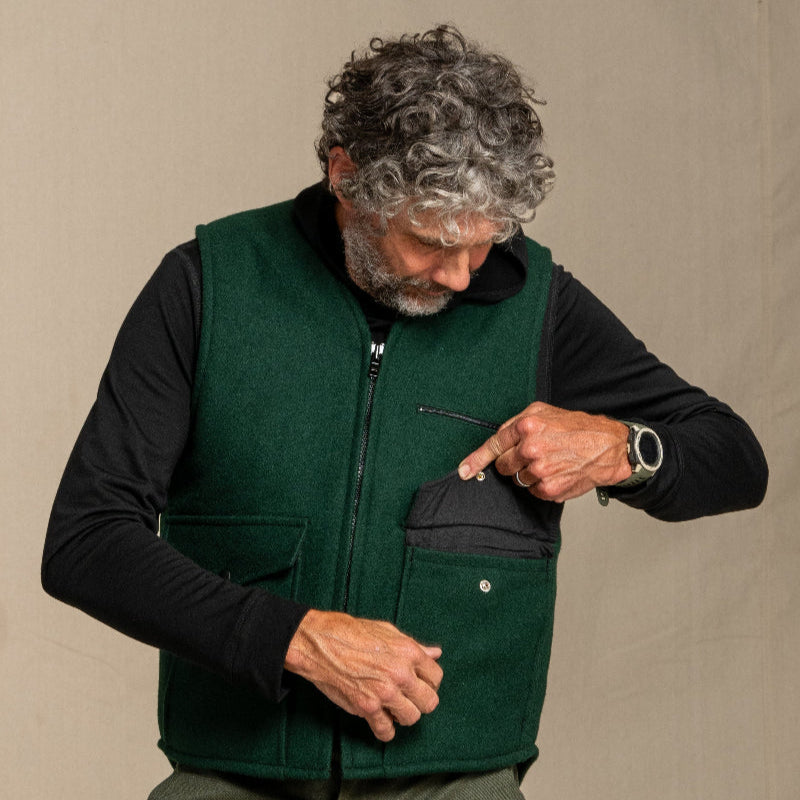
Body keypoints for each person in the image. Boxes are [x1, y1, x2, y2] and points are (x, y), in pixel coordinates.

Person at [42, 24, 767, 800]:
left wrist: (623, 448)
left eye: (483, 243)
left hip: (457, 780)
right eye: (429, 241)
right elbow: (86, 541)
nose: (460, 277)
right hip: (232, 771)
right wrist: (294, 639)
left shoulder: (540, 306)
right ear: (346, 177)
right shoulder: (205, 286)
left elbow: (736, 458)